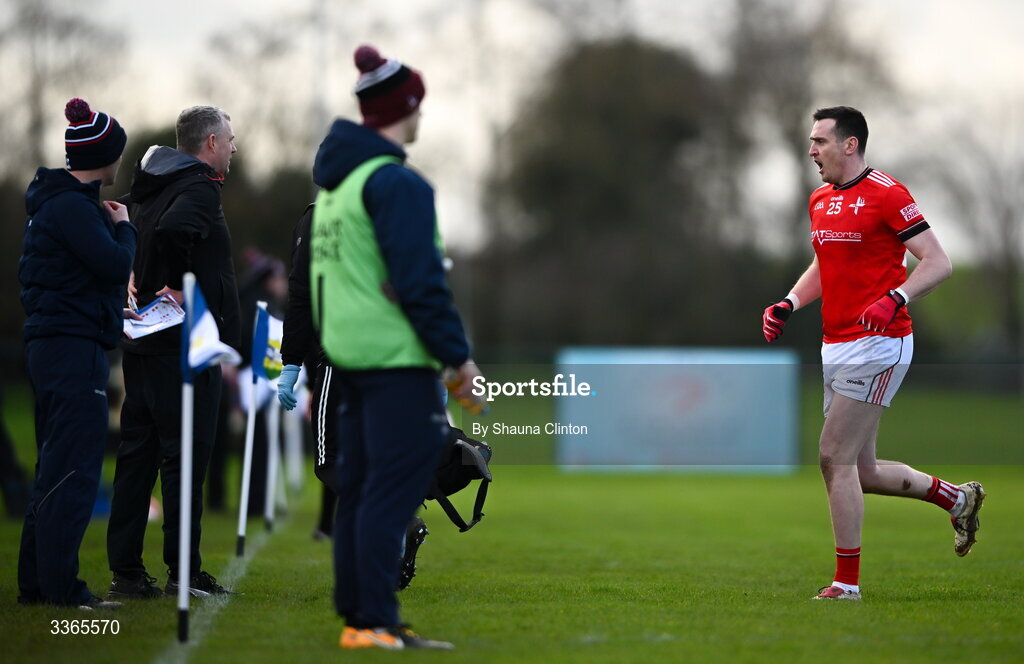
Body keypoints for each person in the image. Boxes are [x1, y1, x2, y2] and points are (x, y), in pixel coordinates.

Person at [762, 106, 985, 600]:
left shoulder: (888, 194)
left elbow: (938, 262)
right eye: (812, 140)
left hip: (880, 344)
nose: (812, 150)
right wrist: (791, 301)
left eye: (820, 140)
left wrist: (896, 297)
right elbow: (825, 261)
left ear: (850, 144)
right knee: (860, 471)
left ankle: (846, 585)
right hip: (835, 343)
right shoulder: (820, 198)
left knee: (832, 457)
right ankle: (957, 498)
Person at [308, 44, 483, 650]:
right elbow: (421, 283)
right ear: (402, 108)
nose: (421, 117)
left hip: (347, 357)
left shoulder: (336, 187)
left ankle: (359, 617)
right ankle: (377, 620)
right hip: (395, 361)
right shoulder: (397, 183)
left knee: (359, 487)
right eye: (417, 106)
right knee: (393, 489)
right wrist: (457, 359)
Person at [106, 106, 241, 600]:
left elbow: (128, 222)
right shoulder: (200, 185)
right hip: (182, 349)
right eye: (229, 138)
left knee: (136, 456)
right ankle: (184, 572)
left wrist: (130, 270)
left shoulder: (149, 184)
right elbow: (173, 232)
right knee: (184, 461)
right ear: (209, 144)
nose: (233, 146)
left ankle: (126, 572)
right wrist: (179, 285)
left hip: (142, 344)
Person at [17, 98, 135, 610]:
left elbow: (83, 278)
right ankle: (64, 592)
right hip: (71, 352)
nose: (120, 163)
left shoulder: (62, 205)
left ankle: (37, 585)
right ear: (104, 156)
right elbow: (112, 265)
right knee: (74, 472)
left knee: (54, 468)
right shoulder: (71, 208)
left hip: (57, 345)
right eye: (117, 154)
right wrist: (126, 227)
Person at [277, 204, 429, 590]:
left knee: (330, 463)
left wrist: (292, 362)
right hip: (391, 361)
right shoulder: (390, 208)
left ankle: (391, 528)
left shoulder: (317, 218)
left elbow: (301, 293)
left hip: (341, 358)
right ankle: (386, 555)